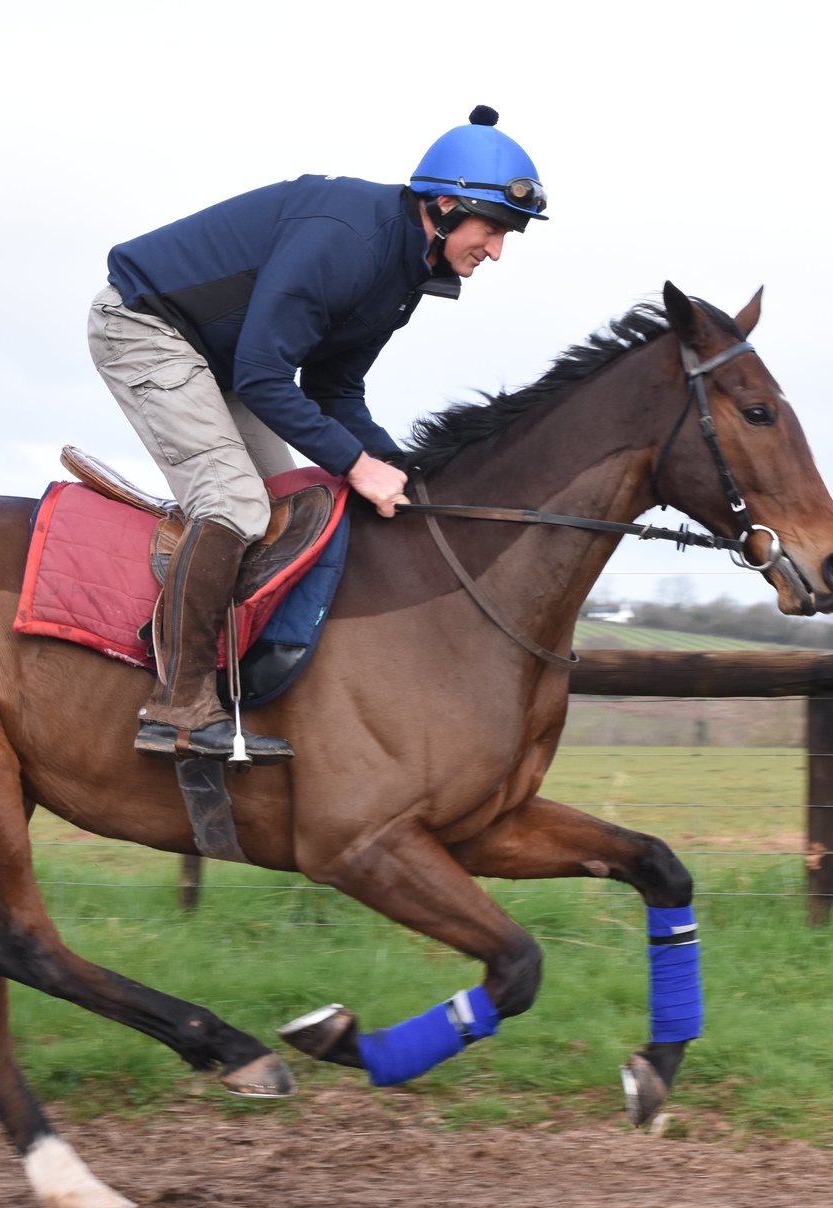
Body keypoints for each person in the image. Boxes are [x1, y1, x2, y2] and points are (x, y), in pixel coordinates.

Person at [89, 105, 549, 762]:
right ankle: (179, 703)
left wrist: (396, 465)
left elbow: (333, 389)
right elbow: (263, 373)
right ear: (445, 205)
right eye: (494, 227)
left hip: (223, 358)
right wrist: (357, 466)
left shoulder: (403, 274)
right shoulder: (348, 241)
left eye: (511, 234)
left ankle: (240, 686)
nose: (498, 249)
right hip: (144, 326)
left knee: (287, 508)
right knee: (236, 503)